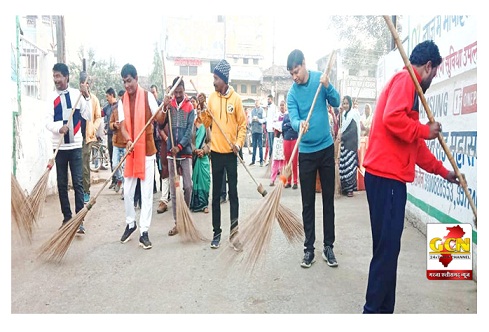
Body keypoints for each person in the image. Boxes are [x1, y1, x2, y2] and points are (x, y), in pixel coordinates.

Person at [362, 40, 460, 314]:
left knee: (387, 251)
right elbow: (393, 119)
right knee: (386, 253)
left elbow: (415, 147)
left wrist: (443, 172)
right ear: (428, 66)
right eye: (435, 73)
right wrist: (423, 129)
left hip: (386, 180)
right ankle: (372, 313)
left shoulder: (408, 86)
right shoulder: (407, 80)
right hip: (387, 179)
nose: (433, 80)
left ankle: (383, 311)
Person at [286, 49, 341, 268]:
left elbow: (336, 101)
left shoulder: (320, 79)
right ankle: (309, 248)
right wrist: (301, 124)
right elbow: (293, 118)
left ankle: (329, 247)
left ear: (304, 64)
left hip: (326, 149)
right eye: (291, 73)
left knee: (328, 200)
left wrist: (328, 85)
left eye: (296, 71)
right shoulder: (292, 94)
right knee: (307, 203)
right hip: (306, 153)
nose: (294, 76)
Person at [197, 59, 247, 249]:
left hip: (231, 154)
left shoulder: (236, 100)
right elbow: (205, 121)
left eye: (216, 78)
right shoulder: (212, 98)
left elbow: (243, 125)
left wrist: (238, 143)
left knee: (233, 195)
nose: (214, 82)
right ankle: (216, 233)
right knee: (216, 195)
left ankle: (234, 235)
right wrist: (202, 109)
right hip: (216, 154)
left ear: (224, 79)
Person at [118, 63, 166, 250]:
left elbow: (160, 120)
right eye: (124, 82)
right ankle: (131, 224)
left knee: (146, 195)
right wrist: (128, 138)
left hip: (146, 151)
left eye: (129, 81)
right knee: (128, 192)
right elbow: (122, 125)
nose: (127, 85)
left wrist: (165, 106)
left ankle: (144, 231)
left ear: (136, 79)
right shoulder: (122, 100)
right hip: (131, 150)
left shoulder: (147, 96)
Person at [46, 63, 92, 234]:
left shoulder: (76, 95)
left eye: (59, 76)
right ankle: (67, 217)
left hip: (75, 146)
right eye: (54, 76)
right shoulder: (51, 98)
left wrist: (86, 97)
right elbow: (47, 121)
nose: (56, 80)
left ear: (66, 77)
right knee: (62, 183)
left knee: (78, 183)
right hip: (59, 148)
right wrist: (59, 128)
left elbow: (87, 115)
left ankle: (79, 220)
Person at [163, 77, 195, 236]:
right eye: (176, 92)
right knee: (175, 191)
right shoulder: (170, 105)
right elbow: (161, 123)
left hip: (185, 152)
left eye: (180, 92)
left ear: (184, 90)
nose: (178, 95)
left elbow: (189, 131)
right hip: (171, 155)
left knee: (188, 187)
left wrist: (180, 146)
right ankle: (177, 222)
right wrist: (164, 106)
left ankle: (185, 215)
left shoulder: (190, 107)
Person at [80, 72, 102, 205]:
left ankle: (86, 191)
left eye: (86, 83)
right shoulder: (76, 98)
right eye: (82, 83)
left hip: (87, 137)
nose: (84, 86)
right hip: (75, 137)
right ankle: (80, 190)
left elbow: (98, 116)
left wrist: (93, 128)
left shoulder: (93, 99)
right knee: (77, 167)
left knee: (84, 166)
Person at [190, 103, 211, 214]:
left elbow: (210, 141)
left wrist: (204, 150)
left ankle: (205, 204)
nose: (199, 111)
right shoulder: (192, 124)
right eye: (197, 109)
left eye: (201, 109)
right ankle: (196, 204)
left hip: (204, 157)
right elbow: (190, 141)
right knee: (196, 180)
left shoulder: (207, 125)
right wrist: (195, 150)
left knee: (205, 180)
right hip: (195, 157)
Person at [339, 95, 361, 197]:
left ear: (350, 104)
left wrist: (342, 137)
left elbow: (353, 131)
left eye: (347, 103)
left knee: (350, 167)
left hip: (351, 145)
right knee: (344, 167)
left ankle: (350, 189)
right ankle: (344, 188)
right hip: (344, 145)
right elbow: (342, 128)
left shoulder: (353, 114)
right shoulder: (344, 115)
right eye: (344, 103)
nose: (345, 105)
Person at [109, 89, 127, 195]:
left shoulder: (129, 111)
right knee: (115, 164)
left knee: (125, 167)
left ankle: (125, 188)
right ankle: (120, 179)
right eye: (120, 98)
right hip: (116, 142)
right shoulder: (115, 110)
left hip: (125, 143)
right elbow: (110, 123)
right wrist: (114, 125)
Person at [282, 100, 299, 189]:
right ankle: (288, 181)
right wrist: (290, 125)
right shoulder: (285, 115)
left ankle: (295, 181)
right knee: (287, 162)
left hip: (295, 140)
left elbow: (296, 126)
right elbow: (283, 127)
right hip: (286, 139)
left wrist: (288, 125)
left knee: (295, 161)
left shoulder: (296, 115)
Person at [104, 88, 118, 190]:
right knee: (112, 159)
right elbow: (98, 114)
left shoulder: (119, 106)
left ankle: (119, 180)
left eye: (107, 96)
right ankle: (114, 179)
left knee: (117, 159)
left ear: (112, 95)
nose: (107, 98)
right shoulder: (107, 108)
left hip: (117, 135)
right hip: (109, 135)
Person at [150, 84, 163, 193]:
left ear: (157, 92)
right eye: (151, 92)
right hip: (151, 139)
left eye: (154, 92)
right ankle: (153, 186)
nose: (153, 94)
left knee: (160, 162)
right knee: (151, 164)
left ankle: (162, 183)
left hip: (159, 139)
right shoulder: (148, 107)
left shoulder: (160, 105)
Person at [269, 101, 285, 186]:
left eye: (283, 105)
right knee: (275, 161)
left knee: (283, 162)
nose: (282, 107)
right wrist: (280, 126)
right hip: (277, 139)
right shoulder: (276, 115)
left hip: (284, 140)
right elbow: (274, 125)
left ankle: (282, 181)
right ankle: (272, 180)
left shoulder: (287, 115)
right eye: (281, 105)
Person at [249, 99, 265, 166]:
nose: (256, 104)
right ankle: (253, 161)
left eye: (257, 103)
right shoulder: (252, 111)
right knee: (254, 146)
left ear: (259, 103)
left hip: (259, 130)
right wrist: (252, 120)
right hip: (254, 130)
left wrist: (259, 120)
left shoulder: (262, 110)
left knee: (260, 146)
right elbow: (249, 120)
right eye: (255, 103)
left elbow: (264, 119)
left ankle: (261, 161)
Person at [264, 94, 277, 165]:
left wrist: (273, 126)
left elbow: (275, 118)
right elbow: (267, 118)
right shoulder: (268, 108)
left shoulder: (274, 107)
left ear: (271, 99)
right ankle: (269, 159)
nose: (268, 100)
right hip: (268, 129)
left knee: (272, 145)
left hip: (272, 129)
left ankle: (272, 160)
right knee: (269, 145)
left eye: (269, 99)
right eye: (267, 99)